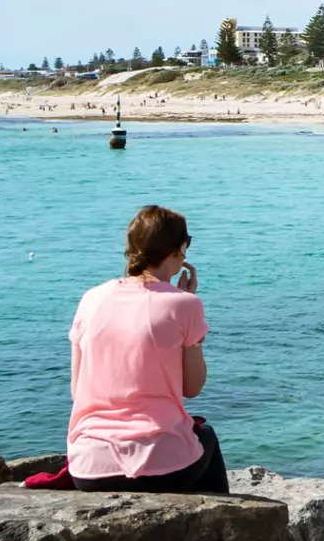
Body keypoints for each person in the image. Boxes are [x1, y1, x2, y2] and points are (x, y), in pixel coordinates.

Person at [68, 205, 228, 494]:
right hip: (158, 465)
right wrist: (187, 308)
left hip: (88, 466)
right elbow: (193, 387)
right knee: (205, 438)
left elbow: (77, 390)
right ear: (179, 250)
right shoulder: (186, 305)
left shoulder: (91, 299)